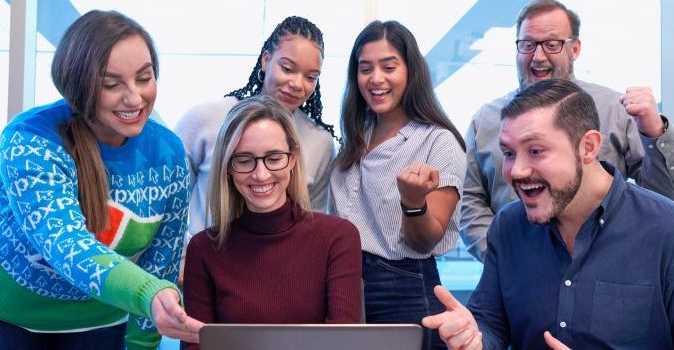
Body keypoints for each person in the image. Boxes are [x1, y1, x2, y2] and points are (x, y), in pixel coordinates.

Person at [0, 10, 202, 350]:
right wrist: (148, 292)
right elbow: (65, 244)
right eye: (112, 84)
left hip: (97, 321)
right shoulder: (30, 139)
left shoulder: (167, 152)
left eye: (144, 78)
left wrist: (142, 343)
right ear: (79, 85)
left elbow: (161, 261)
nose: (135, 98)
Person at [422, 79, 674, 349]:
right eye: (508, 153)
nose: (516, 171)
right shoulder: (509, 226)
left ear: (588, 147)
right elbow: (492, 323)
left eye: (535, 150)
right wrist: (475, 338)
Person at [459, 0, 674, 261]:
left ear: (575, 48)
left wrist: (654, 133)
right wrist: (504, 257)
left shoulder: (615, 110)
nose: (538, 56)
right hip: (517, 278)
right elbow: (469, 203)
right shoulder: (486, 120)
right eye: (527, 44)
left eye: (552, 44)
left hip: (606, 269)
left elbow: (672, 194)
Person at [181, 96, 362, 349]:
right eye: (244, 160)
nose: (261, 174)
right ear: (229, 167)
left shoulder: (337, 237)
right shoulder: (204, 249)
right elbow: (195, 345)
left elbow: (342, 343)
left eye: (274, 158)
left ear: (293, 158)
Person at [330, 20, 467, 350]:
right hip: (343, 282)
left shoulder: (439, 141)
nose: (376, 79)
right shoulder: (353, 136)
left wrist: (413, 201)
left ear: (411, 72)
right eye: (365, 69)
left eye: (389, 66)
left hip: (402, 285)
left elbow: (425, 240)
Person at [173, 15, 337, 249]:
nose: (297, 84)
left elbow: (311, 222)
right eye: (287, 68)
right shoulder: (204, 120)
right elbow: (169, 203)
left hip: (276, 270)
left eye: (311, 77)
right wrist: (181, 258)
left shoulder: (320, 142)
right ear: (266, 60)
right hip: (205, 262)